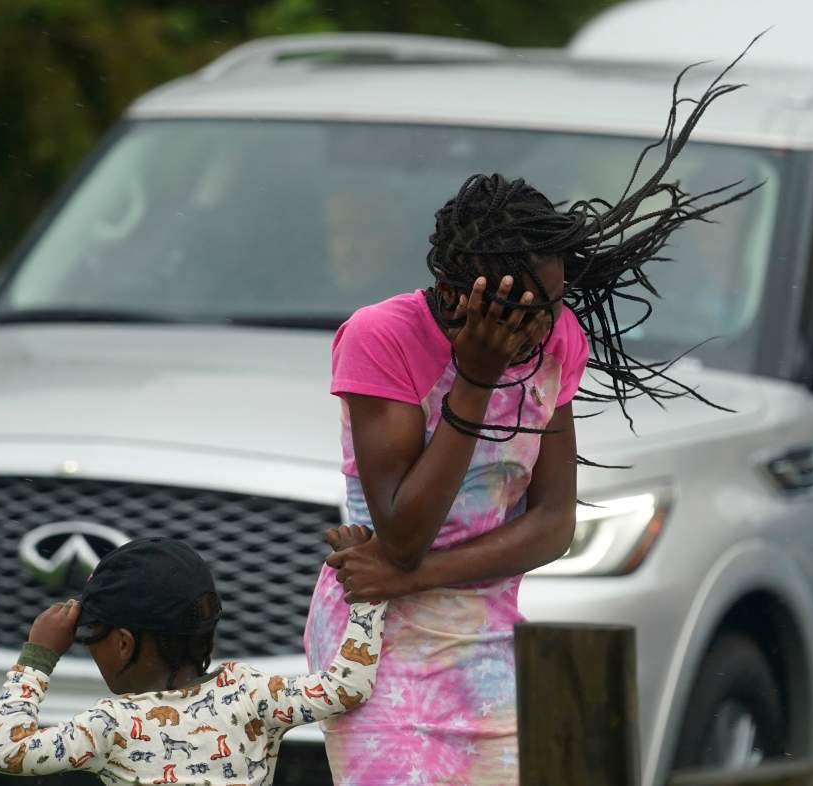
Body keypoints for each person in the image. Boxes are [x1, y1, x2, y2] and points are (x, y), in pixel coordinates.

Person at [304, 48, 761, 786]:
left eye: (555, 303)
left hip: (483, 646)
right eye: (529, 307)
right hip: (376, 652)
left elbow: (552, 523)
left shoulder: (558, 342)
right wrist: (475, 383)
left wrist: (413, 578)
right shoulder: (381, 338)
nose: (548, 326)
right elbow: (404, 532)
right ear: (460, 291)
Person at [0, 531, 384, 786]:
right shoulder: (250, 693)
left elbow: (5, 753)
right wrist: (367, 591)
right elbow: (348, 686)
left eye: (91, 636)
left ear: (123, 643)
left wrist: (37, 659)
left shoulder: (110, 725)